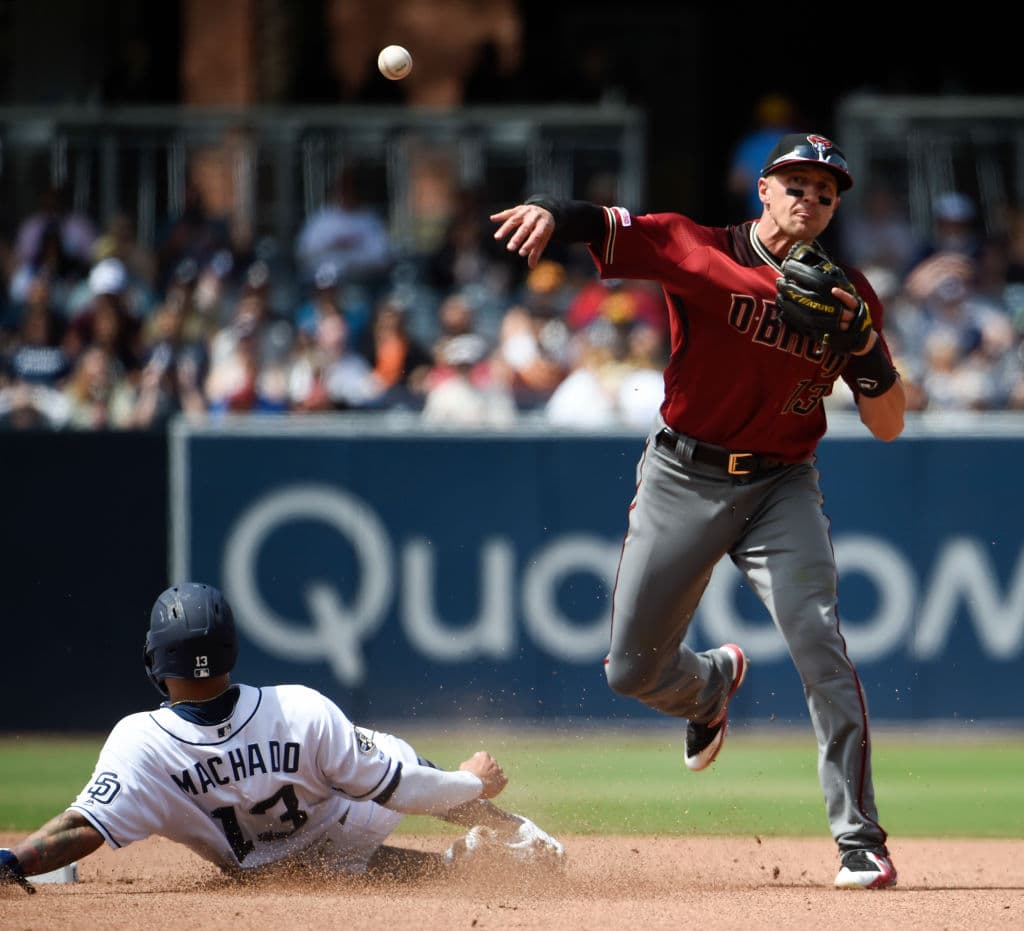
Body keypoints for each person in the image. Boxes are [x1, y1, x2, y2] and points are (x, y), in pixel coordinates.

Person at [491, 132, 905, 890]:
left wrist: (866, 349)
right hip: (684, 473)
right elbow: (606, 225)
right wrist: (552, 210)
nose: (809, 199)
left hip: (783, 482)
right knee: (629, 670)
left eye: (826, 191)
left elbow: (888, 421)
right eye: (797, 184)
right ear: (764, 190)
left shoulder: (851, 295)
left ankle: (861, 839)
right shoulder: (696, 247)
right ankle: (708, 687)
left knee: (818, 639)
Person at [0, 582, 564, 893]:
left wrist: (14, 862)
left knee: (326, 867)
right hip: (341, 826)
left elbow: (79, 829)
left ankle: (454, 864)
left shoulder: (141, 743)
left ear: (155, 659)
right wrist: (471, 781)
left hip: (262, 870)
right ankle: (513, 835)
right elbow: (402, 790)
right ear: (231, 649)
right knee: (385, 759)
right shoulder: (297, 708)